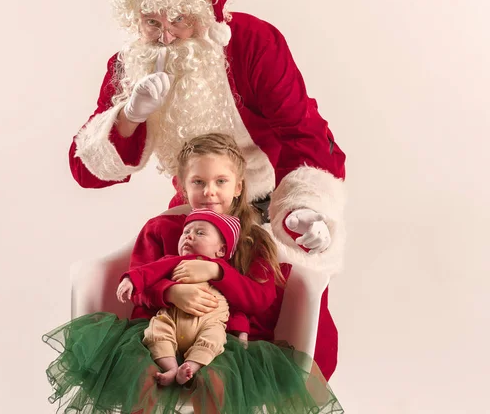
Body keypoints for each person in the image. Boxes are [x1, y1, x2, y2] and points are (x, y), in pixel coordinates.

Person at [69, 0, 347, 379]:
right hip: (197, 210)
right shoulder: (131, 64)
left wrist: (302, 210)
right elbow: (86, 169)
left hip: (269, 212)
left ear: (205, 8)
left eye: (180, 18)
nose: (166, 35)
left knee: (297, 351)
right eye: (150, 22)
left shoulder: (252, 43)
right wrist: (127, 117)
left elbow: (307, 135)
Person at [44, 133, 343, 413]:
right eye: (198, 182)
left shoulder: (254, 240)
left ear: (238, 186)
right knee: (142, 376)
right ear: (182, 186)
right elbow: (140, 281)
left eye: (221, 181)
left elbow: (260, 300)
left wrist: (217, 270)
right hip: (156, 330)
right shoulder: (161, 229)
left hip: (222, 340)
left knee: (218, 381)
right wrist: (171, 291)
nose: (209, 191)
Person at [117, 208, 246, 386]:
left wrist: (241, 330)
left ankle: (191, 366)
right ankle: (170, 367)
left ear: (221, 250)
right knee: (157, 330)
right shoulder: (175, 261)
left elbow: (236, 304)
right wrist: (131, 279)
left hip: (208, 323)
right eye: (186, 232)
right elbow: (149, 271)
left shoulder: (223, 273)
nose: (189, 236)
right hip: (172, 318)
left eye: (200, 233)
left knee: (215, 337)